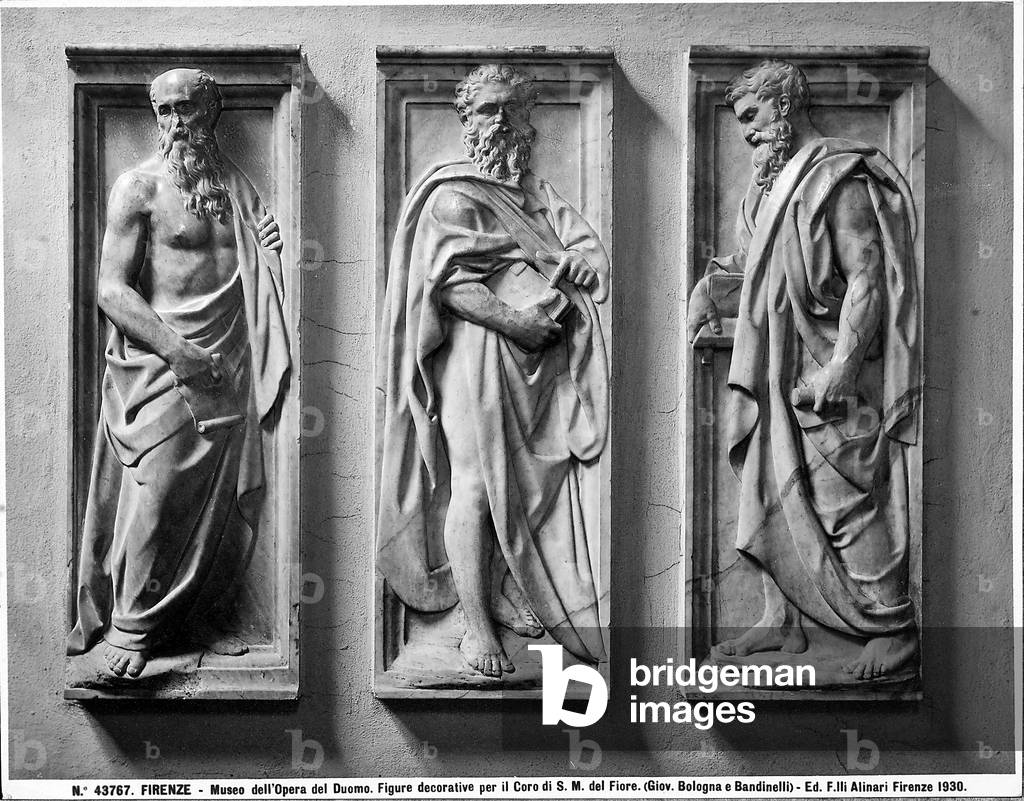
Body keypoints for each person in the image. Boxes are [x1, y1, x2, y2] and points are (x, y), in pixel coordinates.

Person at [686, 60, 920, 680]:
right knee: (769, 493)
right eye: (738, 122)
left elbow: (867, 274)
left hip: (830, 372)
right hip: (778, 374)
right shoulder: (764, 190)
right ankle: (783, 620)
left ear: (785, 107)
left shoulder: (832, 178)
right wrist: (712, 293)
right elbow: (761, 277)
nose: (747, 134)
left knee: (846, 502)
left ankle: (893, 626)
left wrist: (842, 365)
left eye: (753, 117)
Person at [377, 64, 610, 678]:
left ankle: (500, 590)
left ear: (526, 118)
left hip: (533, 366)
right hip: (476, 359)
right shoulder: (454, 194)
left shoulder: (533, 195)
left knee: (524, 491)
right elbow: (446, 286)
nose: (498, 120)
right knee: (476, 487)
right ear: (467, 120)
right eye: (485, 110)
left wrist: (579, 267)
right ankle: (475, 626)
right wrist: (515, 321)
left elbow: (585, 250)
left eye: (510, 108)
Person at [67, 68, 291, 678]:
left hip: (230, 365)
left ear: (211, 113)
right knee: (158, 495)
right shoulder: (137, 188)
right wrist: (175, 349)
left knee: (214, 507)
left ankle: (191, 617)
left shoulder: (236, 187)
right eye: (164, 111)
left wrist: (270, 249)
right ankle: (129, 624)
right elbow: (111, 290)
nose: (175, 123)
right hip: (166, 367)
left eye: (187, 109)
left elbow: (258, 265)